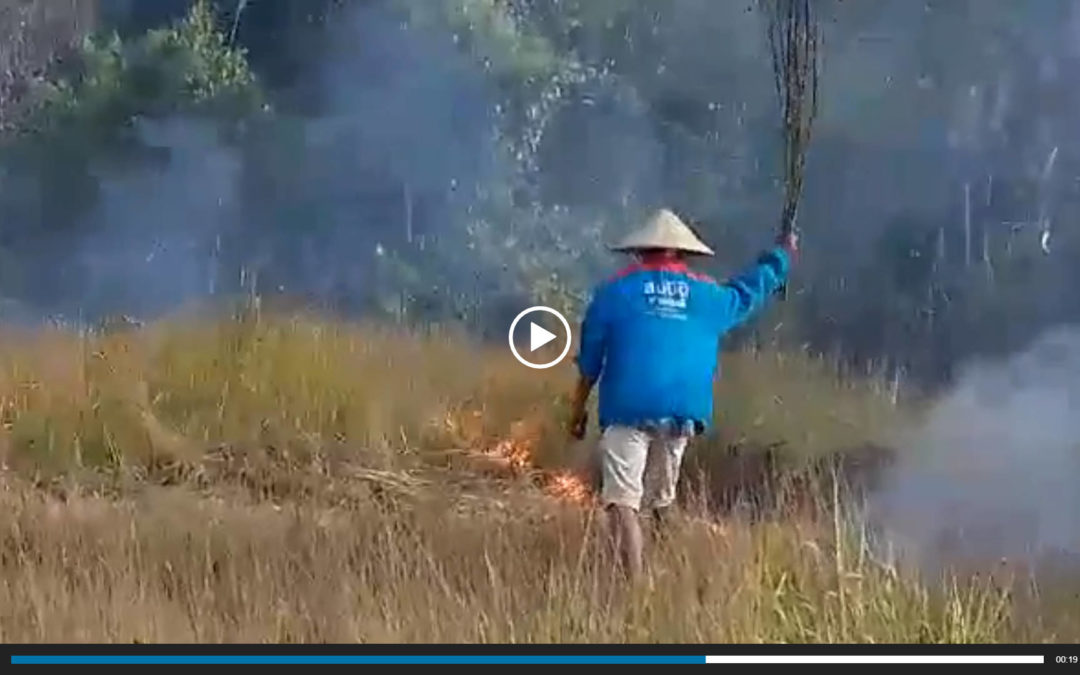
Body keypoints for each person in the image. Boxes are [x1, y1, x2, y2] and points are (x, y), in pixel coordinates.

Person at [568, 208, 797, 580]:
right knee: (661, 499)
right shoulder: (708, 296)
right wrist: (782, 256)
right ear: (685, 254)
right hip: (683, 412)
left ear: (639, 252)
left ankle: (635, 591)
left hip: (629, 408)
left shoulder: (612, 294)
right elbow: (749, 290)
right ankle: (680, 573)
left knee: (624, 502)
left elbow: (590, 363)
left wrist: (576, 411)